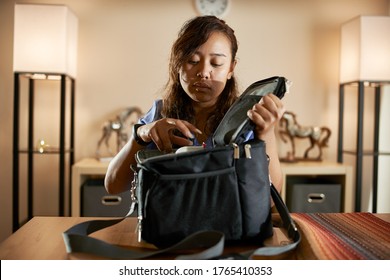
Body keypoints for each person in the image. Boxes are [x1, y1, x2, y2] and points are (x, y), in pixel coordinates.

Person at [105, 15, 285, 195]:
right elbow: (113, 186)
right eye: (192, 61)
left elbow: (270, 200)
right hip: (168, 221)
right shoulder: (160, 113)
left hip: (227, 222)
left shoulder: (248, 117)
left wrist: (266, 134)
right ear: (178, 64)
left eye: (216, 63)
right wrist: (141, 134)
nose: (204, 72)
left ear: (231, 68)